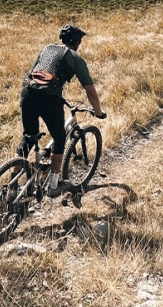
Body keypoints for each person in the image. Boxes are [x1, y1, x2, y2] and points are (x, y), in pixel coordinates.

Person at [16, 24, 106, 197]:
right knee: (59, 139)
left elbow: (33, 72)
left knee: (28, 138)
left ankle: (11, 187)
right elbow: (90, 90)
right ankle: (54, 185)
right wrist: (99, 112)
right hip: (49, 97)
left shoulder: (47, 49)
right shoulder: (74, 57)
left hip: (27, 93)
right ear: (76, 42)